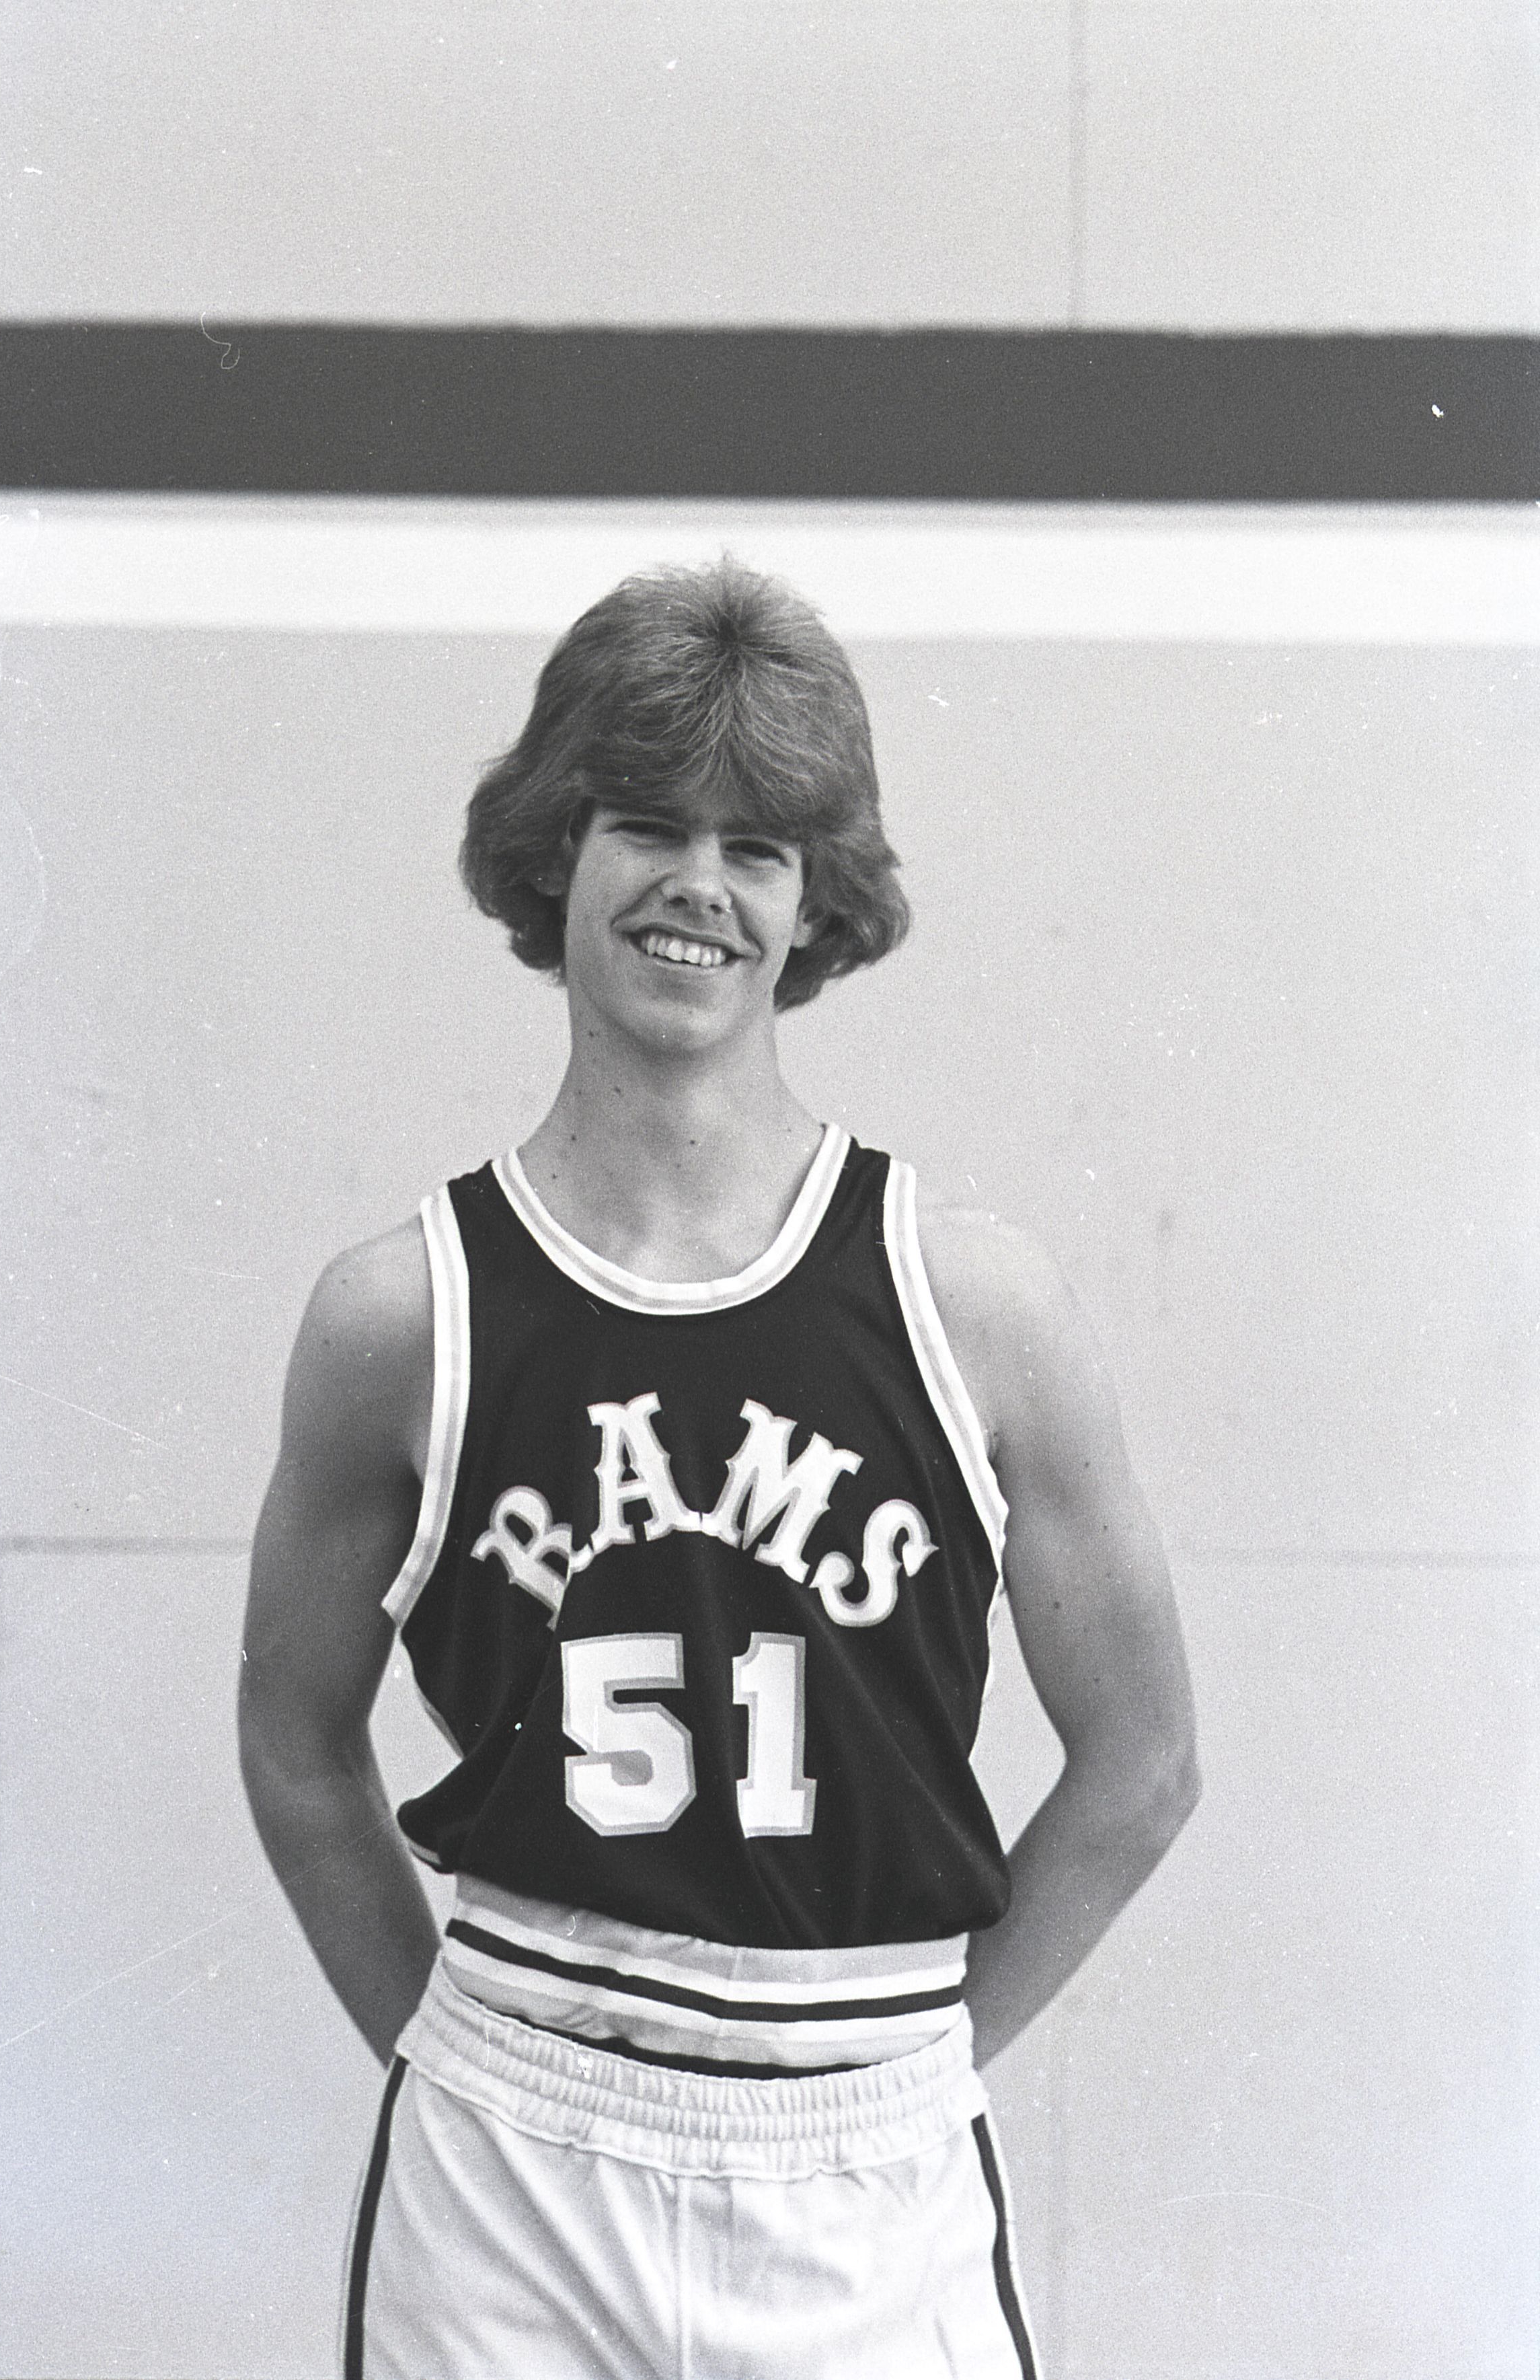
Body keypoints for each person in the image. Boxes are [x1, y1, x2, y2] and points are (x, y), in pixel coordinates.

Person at [238, 558, 1200, 2380]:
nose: (700, 882)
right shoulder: (405, 1314)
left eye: (757, 846)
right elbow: (293, 1740)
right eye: (649, 825)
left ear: (814, 901)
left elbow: (1146, 1764)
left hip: (867, 2151)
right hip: (513, 2164)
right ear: (556, 851)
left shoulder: (969, 1301)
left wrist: (912, 2068)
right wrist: (457, 2063)